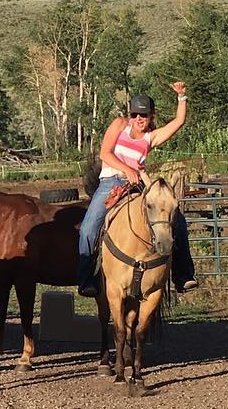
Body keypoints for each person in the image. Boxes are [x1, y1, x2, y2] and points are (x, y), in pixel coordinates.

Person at [76, 83, 197, 297]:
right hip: (111, 182)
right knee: (88, 228)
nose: (139, 119)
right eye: (135, 114)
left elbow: (179, 122)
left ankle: (183, 274)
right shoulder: (119, 125)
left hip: (139, 184)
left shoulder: (151, 137)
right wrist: (127, 169)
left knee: (177, 220)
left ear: (151, 116)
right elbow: (105, 153)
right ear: (130, 114)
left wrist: (181, 97)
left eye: (144, 115)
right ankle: (87, 279)